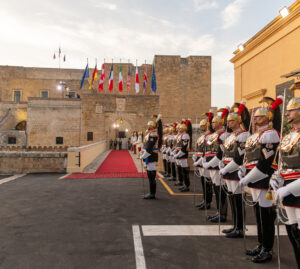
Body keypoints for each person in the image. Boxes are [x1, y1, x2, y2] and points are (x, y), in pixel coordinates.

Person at [239, 96, 282, 263]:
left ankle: (267, 248)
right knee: (258, 213)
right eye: (254, 116)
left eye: (258, 116)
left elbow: (265, 163)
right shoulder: (255, 135)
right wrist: (244, 169)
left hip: (263, 178)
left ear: (267, 117)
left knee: (266, 215)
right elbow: (249, 157)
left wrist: (247, 177)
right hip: (255, 178)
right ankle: (261, 243)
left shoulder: (270, 134)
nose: (255, 118)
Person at [272, 86, 300, 267]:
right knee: (292, 229)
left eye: (291, 110)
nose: (287, 113)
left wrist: (287, 188)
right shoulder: (288, 136)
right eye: (288, 110)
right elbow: (281, 162)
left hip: (296, 186)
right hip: (288, 185)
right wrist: (276, 178)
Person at [219, 102, 250, 238]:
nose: (228, 123)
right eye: (228, 121)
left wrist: (226, 168)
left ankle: (240, 227)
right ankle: (235, 225)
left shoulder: (243, 135)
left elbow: (238, 157)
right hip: (228, 169)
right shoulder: (230, 136)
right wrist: (222, 165)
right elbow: (226, 153)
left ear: (237, 122)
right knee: (231, 197)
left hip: (235, 169)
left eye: (231, 121)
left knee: (237, 199)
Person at [203, 108, 230, 223]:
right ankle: (219, 211)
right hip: (211, 165)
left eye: (214, 122)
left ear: (220, 123)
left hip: (218, 165)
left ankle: (222, 213)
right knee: (216, 189)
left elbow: (220, 153)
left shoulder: (224, 135)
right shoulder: (214, 135)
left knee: (220, 191)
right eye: (212, 122)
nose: (212, 124)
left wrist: (210, 163)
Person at [193, 112, 213, 210]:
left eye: (203, 125)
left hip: (205, 161)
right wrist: (195, 156)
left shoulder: (209, 136)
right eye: (201, 125)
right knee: (203, 182)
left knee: (207, 183)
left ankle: (208, 202)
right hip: (200, 161)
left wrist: (202, 160)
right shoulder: (202, 136)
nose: (201, 127)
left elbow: (207, 151)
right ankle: (204, 200)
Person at [140, 114, 163, 199]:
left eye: (149, 125)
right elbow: (146, 145)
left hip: (152, 155)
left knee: (151, 175)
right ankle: (151, 192)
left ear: (152, 126)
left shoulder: (153, 134)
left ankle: (152, 193)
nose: (147, 126)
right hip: (149, 154)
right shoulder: (150, 133)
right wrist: (142, 152)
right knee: (150, 174)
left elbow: (150, 146)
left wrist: (143, 155)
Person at [174, 119, 193, 192]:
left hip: (183, 154)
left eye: (181, 128)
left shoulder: (185, 135)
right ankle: (181, 182)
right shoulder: (180, 135)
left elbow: (184, 147)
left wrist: (178, 154)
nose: (179, 129)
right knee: (180, 169)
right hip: (179, 154)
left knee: (184, 170)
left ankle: (187, 185)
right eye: (179, 128)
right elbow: (177, 145)